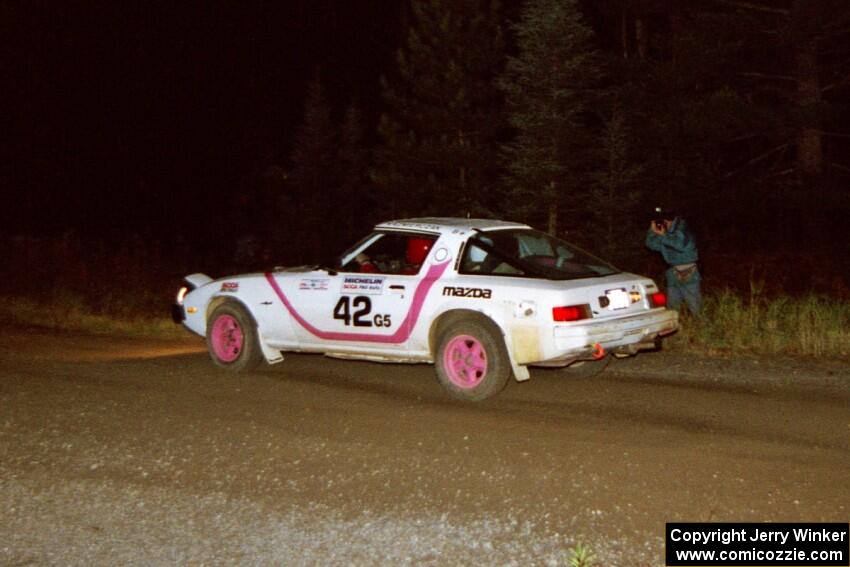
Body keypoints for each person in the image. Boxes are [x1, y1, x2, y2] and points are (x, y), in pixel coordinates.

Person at [645, 207, 701, 314]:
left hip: (689, 272)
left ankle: (703, 327)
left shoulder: (683, 230)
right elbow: (651, 244)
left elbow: (679, 245)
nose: (660, 224)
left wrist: (663, 235)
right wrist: (652, 231)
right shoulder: (665, 233)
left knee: (695, 306)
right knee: (672, 307)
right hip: (672, 273)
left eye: (662, 221)